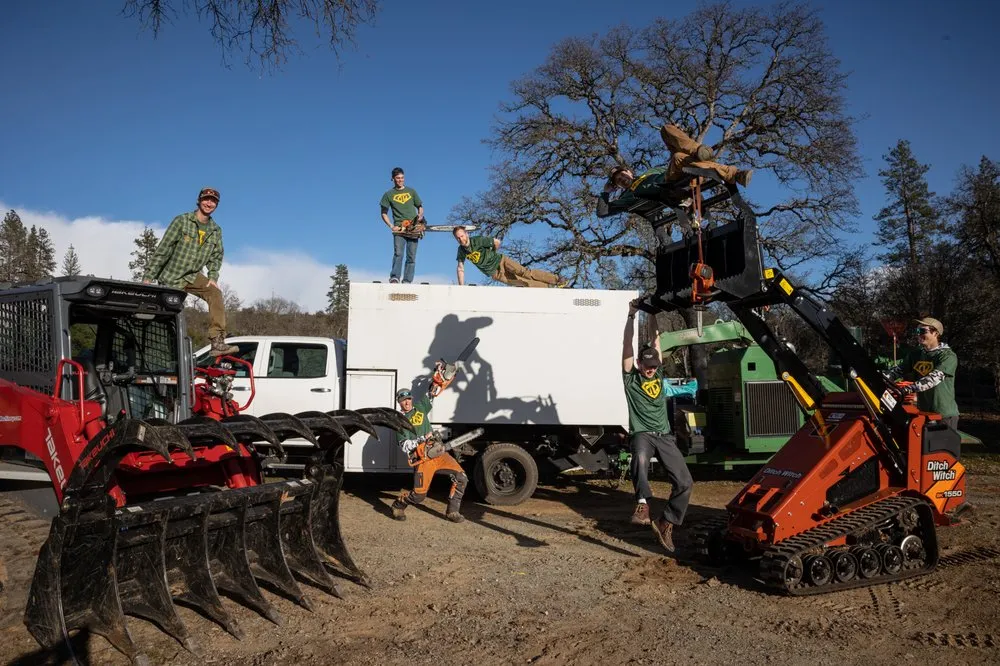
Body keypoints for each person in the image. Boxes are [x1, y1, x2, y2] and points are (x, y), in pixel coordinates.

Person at [621, 300, 698, 553]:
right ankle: (642, 504)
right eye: (647, 366)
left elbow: (656, 341)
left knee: (685, 482)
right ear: (639, 365)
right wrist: (632, 316)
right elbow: (626, 346)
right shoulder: (630, 378)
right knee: (640, 459)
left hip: (664, 435)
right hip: (642, 432)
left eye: (655, 366)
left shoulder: (659, 371)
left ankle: (666, 521)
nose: (651, 370)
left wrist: (651, 314)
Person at [143, 187, 238, 356]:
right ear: (199, 200)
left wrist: (213, 276)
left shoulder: (216, 231)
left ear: (217, 205)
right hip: (171, 278)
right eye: (206, 199)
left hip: (192, 276)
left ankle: (217, 340)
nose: (209, 203)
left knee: (215, 293)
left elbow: (216, 256)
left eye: (213, 201)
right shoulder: (182, 221)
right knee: (170, 319)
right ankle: (169, 355)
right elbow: (164, 249)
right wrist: (149, 277)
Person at [391, 361, 468, 523]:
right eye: (403, 400)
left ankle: (452, 511)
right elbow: (404, 445)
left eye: (408, 398)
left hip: (437, 451)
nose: (407, 402)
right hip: (423, 459)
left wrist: (443, 374)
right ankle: (399, 504)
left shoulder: (420, 407)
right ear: (399, 402)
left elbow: (433, 392)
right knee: (419, 496)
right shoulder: (399, 421)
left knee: (461, 477)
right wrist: (420, 439)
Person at [887, 316, 960, 430]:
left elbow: (934, 379)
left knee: (940, 448)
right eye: (916, 331)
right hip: (924, 413)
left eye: (922, 331)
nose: (918, 334)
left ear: (935, 333)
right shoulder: (915, 354)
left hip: (944, 415)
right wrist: (880, 379)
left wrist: (908, 389)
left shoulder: (948, 356)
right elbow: (897, 371)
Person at [453, 226, 566, 288]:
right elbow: (460, 268)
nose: (461, 239)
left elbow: (496, 242)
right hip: (495, 273)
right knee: (523, 283)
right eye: (458, 238)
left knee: (525, 273)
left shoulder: (478, 240)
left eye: (462, 236)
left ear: (467, 234)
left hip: (501, 261)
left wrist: (492, 252)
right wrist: (461, 287)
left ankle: (557, 279)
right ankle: (549, 288)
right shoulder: (461, 251)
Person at [380, 167, 424, 284]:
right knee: (398, 253)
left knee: (411, 256)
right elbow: (383, 213)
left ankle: (407, 280)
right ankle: (394, 277)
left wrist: (420, 215)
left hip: (413, 227)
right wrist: (391, 226)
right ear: (393, 179)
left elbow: (420, 206)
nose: (400, 180)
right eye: (398, 178)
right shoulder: (388, 194)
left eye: (402, 178)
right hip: (399, 228)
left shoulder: (411, 191)